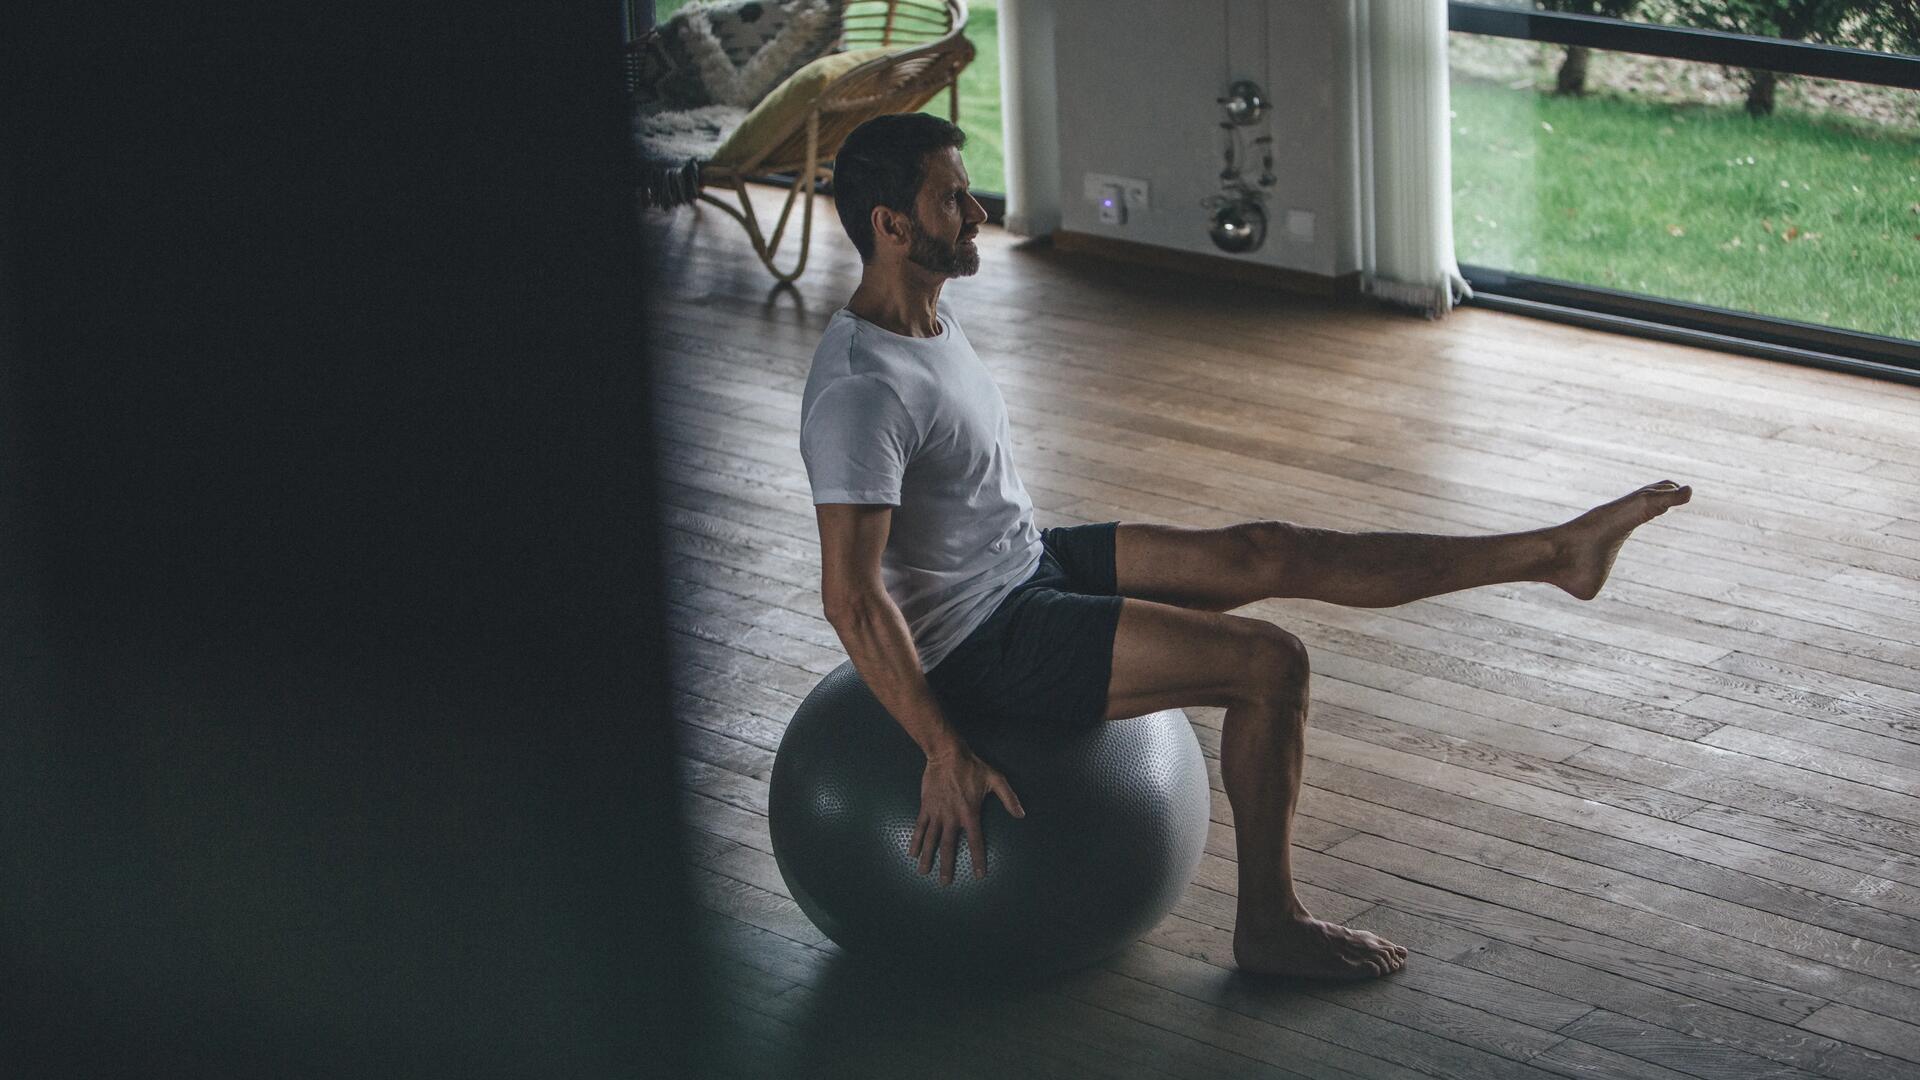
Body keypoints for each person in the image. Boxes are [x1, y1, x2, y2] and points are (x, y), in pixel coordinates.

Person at [799, 113, 1691, 981]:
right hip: (981, 636)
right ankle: (1270, 923)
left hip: (1023, 560)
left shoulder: (928, 317)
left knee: (1269, 548)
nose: (976, 211)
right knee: (1272, 665)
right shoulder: (860, 392)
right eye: (953, 199)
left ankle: (1553, 555)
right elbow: (850, 596)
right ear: (892, 226)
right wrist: (943, 750)